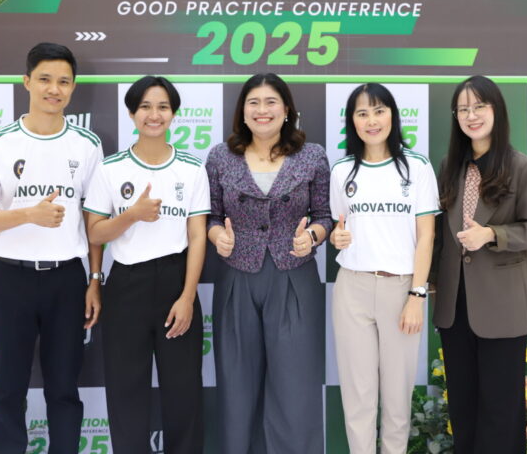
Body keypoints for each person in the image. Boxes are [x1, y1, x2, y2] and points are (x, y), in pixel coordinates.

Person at [0, 42, 103, 454]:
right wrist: (28, 215)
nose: (54, 89)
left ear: (73, 87)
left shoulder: (87, 145)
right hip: (12, 278)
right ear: (26, 82)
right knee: (7, 387)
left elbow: (94, 221)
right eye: (45, 79)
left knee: (64, 387)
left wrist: (94, 279)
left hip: (68, 279)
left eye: (63, 81)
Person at [206, 73, 332, 454]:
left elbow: (324, 216)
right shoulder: (220, 157)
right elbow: (211, 217)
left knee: (296, 387)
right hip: (236, 278)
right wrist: (218, 236)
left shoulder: (313, 156)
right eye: (254, 103)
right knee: (236, 386)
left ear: (287, 109)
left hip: (294, 276)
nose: (263, 110)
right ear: (242, 111)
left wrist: (312, 237)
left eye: (271, 102)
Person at [83, 76, 210, 454]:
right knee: (126, 391)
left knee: (183, 392)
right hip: (126, 285)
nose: (154, 115)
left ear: (174, 114)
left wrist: (187, 296)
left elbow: (198, 236)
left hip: (176, 283)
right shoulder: (110, 168)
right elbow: (95, 233)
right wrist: (132, 215)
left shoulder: (191, 168)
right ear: (131, 114)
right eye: (145, 107)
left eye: (163, 107)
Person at [431, 75, 527, 454]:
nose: (471, 115)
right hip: (455, 306)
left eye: (479, 106)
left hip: (502, 306)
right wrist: (428, 281)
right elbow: (439, 232)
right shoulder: (450, 166)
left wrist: (491, 234)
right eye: (463, 109)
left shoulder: (523, 168)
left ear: (496, 110)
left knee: (500, 410)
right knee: (463, 408)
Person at [330, 83, 439, 454]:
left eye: (379, 111)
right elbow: (339, 227)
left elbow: (426, 237)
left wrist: (416, 295)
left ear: (393, 115)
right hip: (352, 288)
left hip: (401, 290)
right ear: (352, 121)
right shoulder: (342, 170)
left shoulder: (416, 167)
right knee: (358, 397)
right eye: (362, 113)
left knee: (397, 397)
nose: (371, 120)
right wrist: (337, 237)